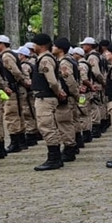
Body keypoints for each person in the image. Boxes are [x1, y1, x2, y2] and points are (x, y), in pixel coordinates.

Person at [31, 34, 66, 171]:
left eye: (34, 44)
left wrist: (58, 92)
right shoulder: (45, 58)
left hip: (45, 98)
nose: (33, 47)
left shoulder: (45, 59)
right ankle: (54, 157)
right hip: (44, 97)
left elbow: (51, 80)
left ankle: (54, 158)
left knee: (47, 126)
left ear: (41, 45)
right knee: (47, 126)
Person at [0, 35, 28, 153]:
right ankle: (21, 141)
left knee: (11, 115)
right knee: (18, 115)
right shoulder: (12, 54)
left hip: (12, 90)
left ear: (2, 44)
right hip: (15, 88)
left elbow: (15, 71)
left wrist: (22, 80)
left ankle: (15, 143)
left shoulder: (6, 55)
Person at [54, 39, 81, 161]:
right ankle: (72, 146)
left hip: (67, 97)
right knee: (69, 122)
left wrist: (76, 95)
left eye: (55, 46)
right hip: (71, 97)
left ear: (60, 48)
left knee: (65, 124)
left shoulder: (64, 62)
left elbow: (70, 81)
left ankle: (69, 149)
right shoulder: (70, 60)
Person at [81, 37, 106, 138]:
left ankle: (96, 128)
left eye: (84, 45)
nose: (82, 47)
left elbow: (96, 72)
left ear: (89, 46)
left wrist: (102, 82)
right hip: (98, 83)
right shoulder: (99, 55)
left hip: (95, 84)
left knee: (94, 106)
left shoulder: (92, 57)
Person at [17, 46, 40, 146]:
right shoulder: (31, 63)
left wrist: (25, 84)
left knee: (28, 113)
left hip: (28, 93)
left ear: (22, 55)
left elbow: (27, 80)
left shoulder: (24, 66)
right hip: (32, 93)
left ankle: (31, 135)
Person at [72, 48, 94, 144]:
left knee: (82, 112)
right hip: (85, 93)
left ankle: (86, 133)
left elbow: (84, 78)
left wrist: (89, 86)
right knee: (86, 112)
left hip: (82, 94)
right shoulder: (85, 63)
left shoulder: (81, 65)